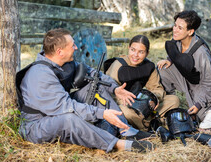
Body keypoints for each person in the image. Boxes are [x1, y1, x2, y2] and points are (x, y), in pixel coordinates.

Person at [17, 28, 154, 153]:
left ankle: (125, 129)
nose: (76, 48)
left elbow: (93, 73)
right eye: (72, 46)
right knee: (69, 119)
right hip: (37, 125)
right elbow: (67, 107)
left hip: (58, 110)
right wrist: (102, 114)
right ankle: (116, 143)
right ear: (60, 52)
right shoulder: (40, 75)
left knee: (95, 86)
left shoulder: (64, 63)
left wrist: (115, 88)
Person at [157, 10, 211, 125]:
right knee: (162, 69)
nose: (175, 30)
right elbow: (175, 54)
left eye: (180, 28)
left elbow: (210, 85)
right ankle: (170, 102)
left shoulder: (201, 53)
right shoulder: (177, 39)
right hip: (186, 76)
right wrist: (169, 60)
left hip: (201, 85)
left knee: (199, 116)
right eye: (175, 25)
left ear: (190, 32)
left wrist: (198, 104)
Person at [104, 35, 180, 130]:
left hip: (143, 103)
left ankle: (143, 121)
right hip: (123, 104)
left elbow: (157, 88)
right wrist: (129, 102)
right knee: (125, 112)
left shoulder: (149, 67)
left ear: (147, 53)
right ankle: (148, 125)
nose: (135, 55)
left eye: (141, 52)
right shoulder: (118, 66)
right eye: (133, 50)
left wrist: (154, 99)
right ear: (129, 48)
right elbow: (109, 92)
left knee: (174, 100)